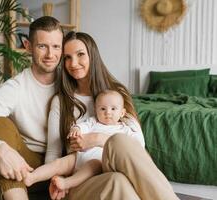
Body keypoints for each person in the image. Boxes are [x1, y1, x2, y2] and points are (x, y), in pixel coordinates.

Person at [46, 31, 179, 200]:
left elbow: (136, 148)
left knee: (119, 160)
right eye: (67, 58)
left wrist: (97, 139)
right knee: (118, 182)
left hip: (114, 167)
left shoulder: (117, 93)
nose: (74, 63)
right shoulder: (61, 101)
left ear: (92, 56)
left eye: (80, 54)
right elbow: (52, 152)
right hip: (80, 180)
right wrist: (57, 182)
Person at [0, 16, 63, 200]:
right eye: (42, 46)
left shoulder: (71, 81)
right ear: (28, 46)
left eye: (56, 46)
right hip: (26, 168)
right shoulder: (16, 87)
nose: (50, 54)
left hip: (65, 165)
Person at [22, 89, 144, 192]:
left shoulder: (125, 129)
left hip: (99, 161)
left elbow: (134, 146)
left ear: (122, 113)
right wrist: (76, 129)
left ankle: (66, 183)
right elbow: (82, 126)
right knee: (58, 163)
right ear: (96, 110)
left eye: (113, 109)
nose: (108, 112)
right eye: (102, 109)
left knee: (93, 165)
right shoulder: (93, 122)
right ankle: (32, 177)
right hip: (79, 156)